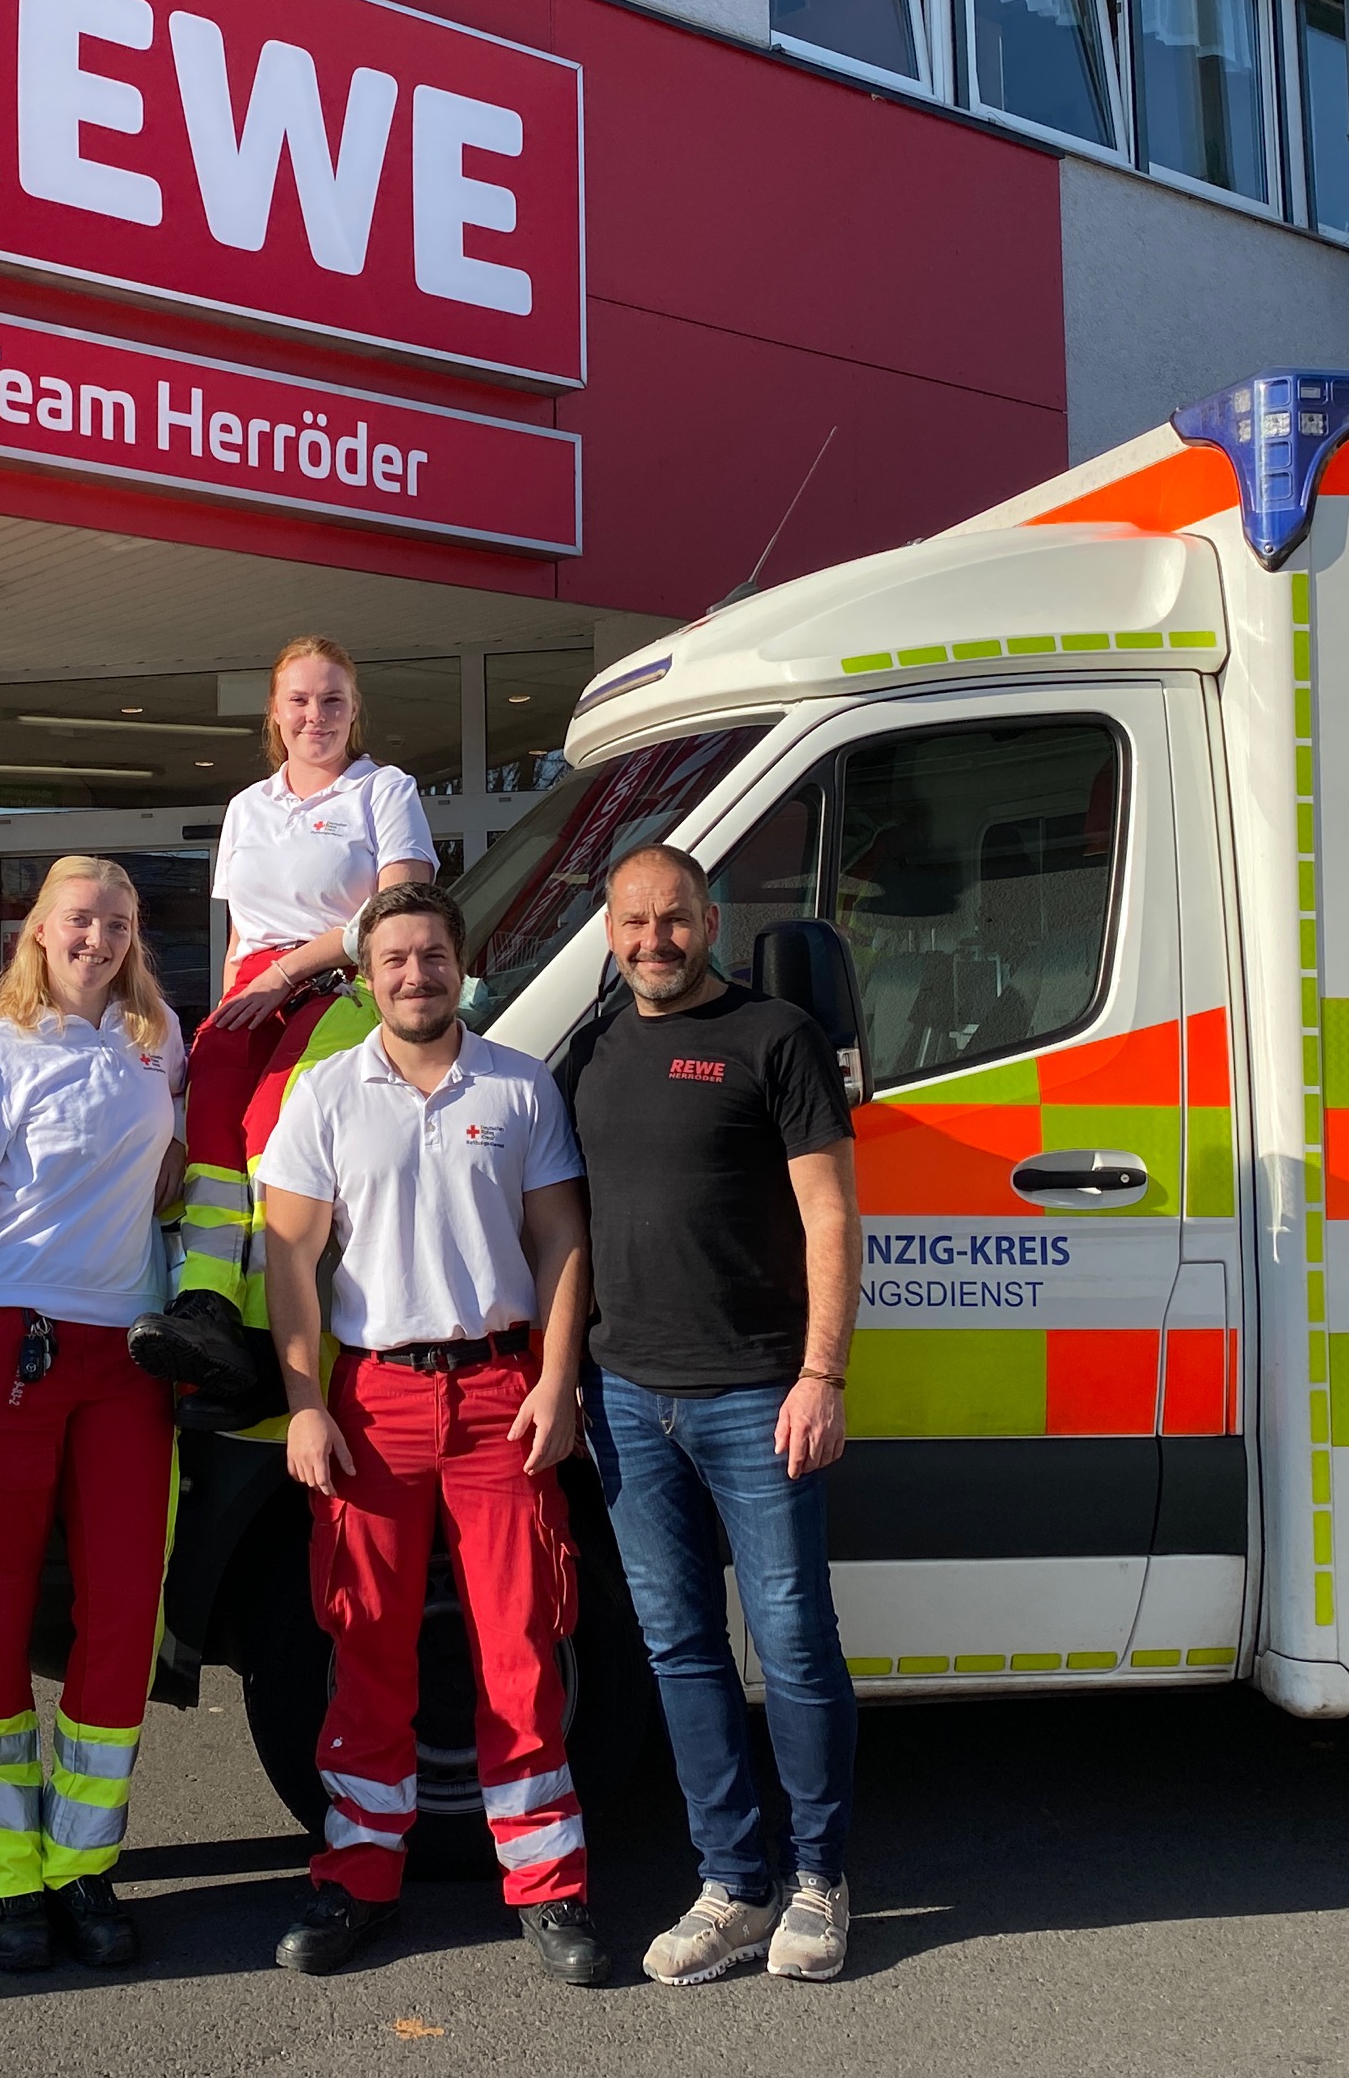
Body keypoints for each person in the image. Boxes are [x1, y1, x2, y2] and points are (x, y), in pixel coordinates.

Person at [255, 881, 607, 1986]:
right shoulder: (323, 1096)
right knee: (366, 1647)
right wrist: (305, 1401)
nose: (417, 974)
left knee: (520, 1648)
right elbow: (290, 1262)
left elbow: (559, 1241)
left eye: (434, 955)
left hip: (502, 1394)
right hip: (375, 1402)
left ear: (463, 964)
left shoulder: (519, 1084)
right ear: (366, 976)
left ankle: (549, 1889)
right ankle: (356, 1878)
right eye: (396, 959)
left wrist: (557, 1380)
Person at [556, 844, 860, 1985]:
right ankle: (732, 1885)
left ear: (711, 919)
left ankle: (820, 1879)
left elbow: (830, 1215)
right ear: (609, 930)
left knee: (791, 1647)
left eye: (672, 919)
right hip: (628, 1400)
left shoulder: (774, 1038)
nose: (652, 941)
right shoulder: (585, 1052)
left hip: (757, 1396)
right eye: (632, 922)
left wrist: (821, 1375)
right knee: (680, 1651)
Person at [0, 857, 185, 1974]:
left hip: (129, 1356)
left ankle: (83, 1863)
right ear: (39, 931)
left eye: (118, 921)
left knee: (123, 1609)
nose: (100, 937)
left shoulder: (159, 1045)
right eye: (81, 919)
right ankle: (7, 1878)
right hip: (6, 1347)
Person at [132, 636, 432, 1425]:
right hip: (253, 988)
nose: (316, 716)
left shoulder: (383, 791)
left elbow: (396, 914)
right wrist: (232, 1017)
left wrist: (284, 974)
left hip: (341, 985)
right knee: (212, 1126)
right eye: (299, 701)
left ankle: (267, 1342)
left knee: (276, 1130)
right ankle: (208, 1306)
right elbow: (238, 935)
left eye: (332, 700)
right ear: (275, 711)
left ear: (355, 709)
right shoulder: (247, 808)